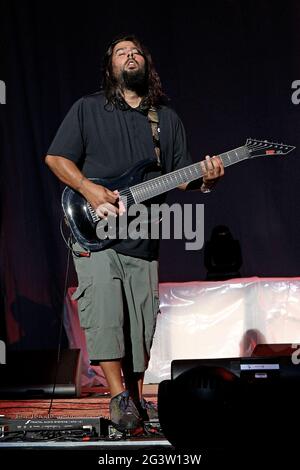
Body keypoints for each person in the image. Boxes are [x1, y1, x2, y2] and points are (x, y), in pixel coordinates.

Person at [45, 34, 224, 432]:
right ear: (110, 67)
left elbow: (181, 177)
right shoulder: (87, 109)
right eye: (121, 52)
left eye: (136, 51)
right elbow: (56, 158)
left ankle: (138, 398)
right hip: (93, 230)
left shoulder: (165, 119)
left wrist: (207, 180)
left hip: (143, 234)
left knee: (140, 324)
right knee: (106, 314)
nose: (130, 56)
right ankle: (117, 398)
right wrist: (89, 189)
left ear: (146, 64)